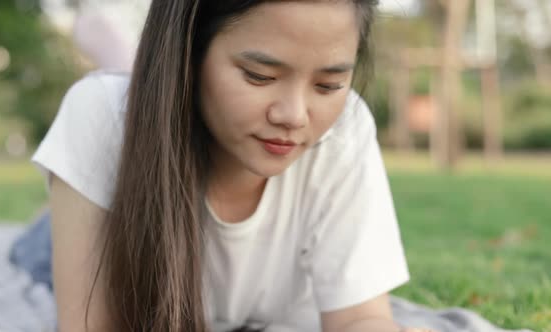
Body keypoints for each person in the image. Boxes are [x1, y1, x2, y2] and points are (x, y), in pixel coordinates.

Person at [27, 0, 436, 331]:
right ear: (187, 53)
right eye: (259, 75)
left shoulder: (344, 130)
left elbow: (358, 317)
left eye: (328, 85)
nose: (294, 116)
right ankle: (116, 53)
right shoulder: (99, 115)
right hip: (51, 245)